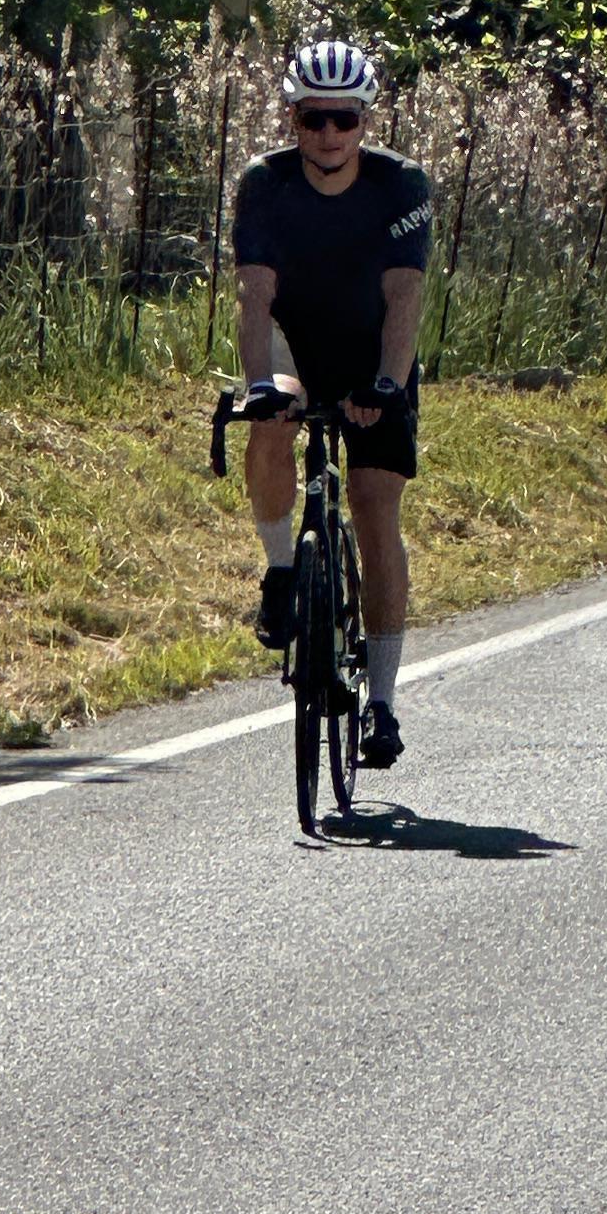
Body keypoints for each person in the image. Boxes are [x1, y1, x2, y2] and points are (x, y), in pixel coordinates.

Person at [230, 38, 432, 771]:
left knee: (378, 506)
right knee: (271, 416)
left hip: (374, 351)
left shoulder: (400, 185)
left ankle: (380, 701)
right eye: (314, 119)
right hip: (295, 344)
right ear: (292, 117)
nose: (328, 135)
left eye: (342, 120)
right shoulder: (264, 183)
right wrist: (260, 384)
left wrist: (386, 383)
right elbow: (255, 293)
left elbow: (405, 295)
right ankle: (284, 568)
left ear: (364, 121)